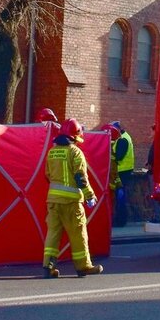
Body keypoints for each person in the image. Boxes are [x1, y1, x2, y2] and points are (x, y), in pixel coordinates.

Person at [42, 118, 104, 278]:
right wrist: (90, 195)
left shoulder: (52, 152)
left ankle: (48, 266)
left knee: (53, 233)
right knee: (78, 234)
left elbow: (47, 175)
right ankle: (83, 266)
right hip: (72, 203)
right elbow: (80, 177)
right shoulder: (75, 152)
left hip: (53, 201)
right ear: (75, 135)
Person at [101, 123, 127, 227]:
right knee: (108, 208)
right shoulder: (108, 152)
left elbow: (114, 173)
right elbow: (112, 172)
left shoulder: (107, 151)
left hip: (108, 188)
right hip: (107, 189)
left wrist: (119, 184)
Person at [144, 124, 160, 223]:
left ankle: (156, 217)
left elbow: (154, 156)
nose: (150, 133)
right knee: (155, 195)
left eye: (152, 131)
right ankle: (156, 216)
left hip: (154, 172)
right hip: (154, 171)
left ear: (156, 131)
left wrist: (150, 163)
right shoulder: (157, 142)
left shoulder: (157, 142)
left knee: (155, 195)